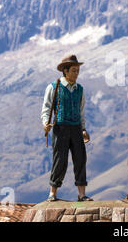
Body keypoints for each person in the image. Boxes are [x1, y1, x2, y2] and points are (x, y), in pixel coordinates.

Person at [41, 55, 93, 202]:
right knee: (60, 160)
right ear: (65, 71)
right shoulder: (54, 87)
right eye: (74, 70)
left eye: (78, 71)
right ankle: (53, 193)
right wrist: (45, 123)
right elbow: (46, 108)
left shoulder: (80, 89)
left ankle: (82, 195)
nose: (77, 74)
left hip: (76, 128)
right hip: (60, 128)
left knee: (80, 159)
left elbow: (81, 110)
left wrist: (83, 129)